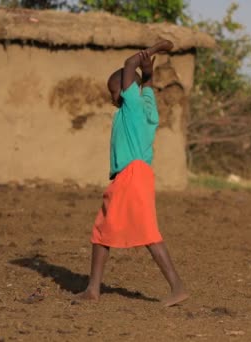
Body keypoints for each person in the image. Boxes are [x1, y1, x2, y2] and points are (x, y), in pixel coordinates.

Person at [77, 39, 189, 307]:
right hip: (137, 175)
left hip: (131, 175)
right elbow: (146, 81)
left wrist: (153, 50)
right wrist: (149, 69)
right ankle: (93, 288)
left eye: (113, 90)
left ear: (126, 90)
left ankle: (177, 286)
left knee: (141, 232)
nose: (111, 96)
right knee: (104, 229)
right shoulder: (147, 105)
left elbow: (130, 65)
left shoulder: (132, 105)